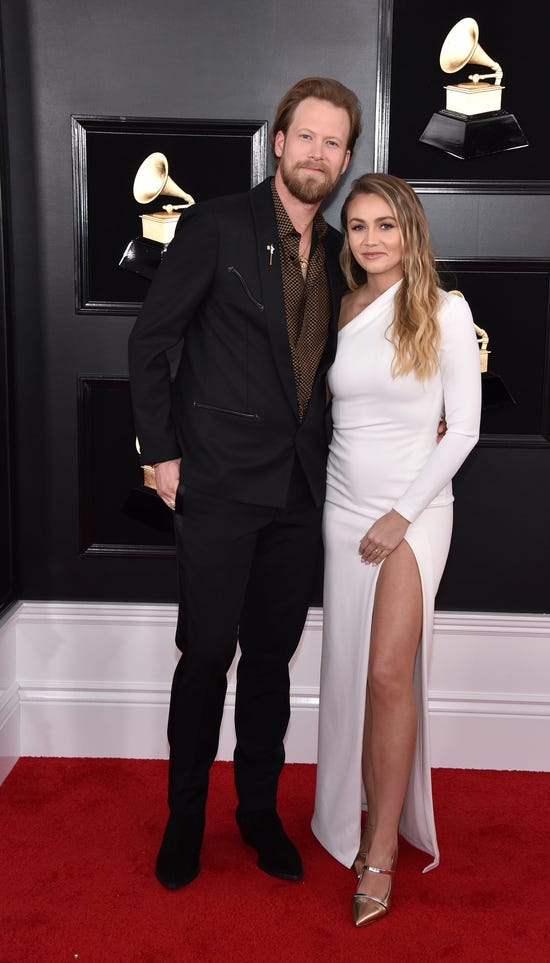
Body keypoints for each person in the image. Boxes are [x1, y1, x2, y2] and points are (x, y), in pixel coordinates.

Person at [128, 77, 361, 889]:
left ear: (344, 157)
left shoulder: (340, 251)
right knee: (205, 657)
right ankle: (185, 816)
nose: (317, 153)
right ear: (279, 141)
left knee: (271, 662)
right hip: (220, 485)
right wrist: (161, 452)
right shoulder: (216, 224)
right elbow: (151, 342)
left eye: (333, 142)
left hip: (300, 492)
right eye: (306, 137)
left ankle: (257, 811)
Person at [311, 173, 481, 926]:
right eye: (357, 227)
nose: (372, 239)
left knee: (388, 673)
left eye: (387, 224)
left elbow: (466, 430)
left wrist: (402, 512)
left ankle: (380, 848)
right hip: (342, 507)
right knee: (350, 666)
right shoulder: (338, 306)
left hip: (414, 513)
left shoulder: (445, 310)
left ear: (411, 231)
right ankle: (352, 806)